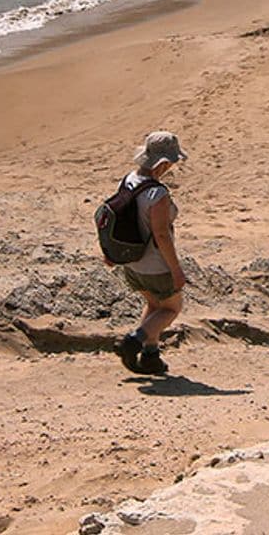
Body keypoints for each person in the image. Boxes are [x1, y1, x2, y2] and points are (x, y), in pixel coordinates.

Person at [111, 131, 188, 376]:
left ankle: (151, 356)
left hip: (132, 262)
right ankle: (133, 342)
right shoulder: (158, 194)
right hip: (156, 265)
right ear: (163, 163)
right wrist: (176, 270)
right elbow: (162, 235)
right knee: (171, 309)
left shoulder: (129, 180)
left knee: (153, 304)